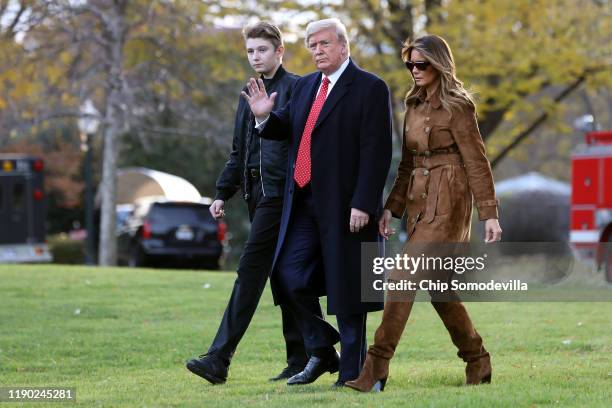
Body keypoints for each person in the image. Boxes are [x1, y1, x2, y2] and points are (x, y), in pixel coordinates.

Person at [346, 34, 503, 392]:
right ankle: (477, 361)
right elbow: (406, 164)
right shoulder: (412, 105)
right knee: (440, 289)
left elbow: (477, 161)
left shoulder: (458, 106)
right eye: (410, 65)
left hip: (450, 203)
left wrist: (489, 213)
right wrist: (391, 209)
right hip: (419, 202)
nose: (415, 71)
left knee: (402, 278)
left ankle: (376, 368)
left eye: (422, 65)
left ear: (439, 65)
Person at [242, 18, 392, 387]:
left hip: (348, 205)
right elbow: (289, 129)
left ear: (344, 46)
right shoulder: (306, 86)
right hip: (304, 203)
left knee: (350, 291)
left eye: (324, 43)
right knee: (287, 274)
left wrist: (364, 203)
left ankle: (353, 374)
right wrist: (264, 117)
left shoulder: (370, 88)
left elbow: (377, 151)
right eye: (311, 45)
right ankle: (323, 346)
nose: (317, 50)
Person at [186, 22, 307, 385]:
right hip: (258, 198)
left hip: (283, 198)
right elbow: (239, 152)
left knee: (250, 272)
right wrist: (222, 193)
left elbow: (299, 145)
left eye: (263, 50)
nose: (256, 56)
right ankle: (304, 356)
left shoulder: (296, 88)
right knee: (283, 277)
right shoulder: (245, 94)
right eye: (251, 51)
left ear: (279, 51)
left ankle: (219, 358)